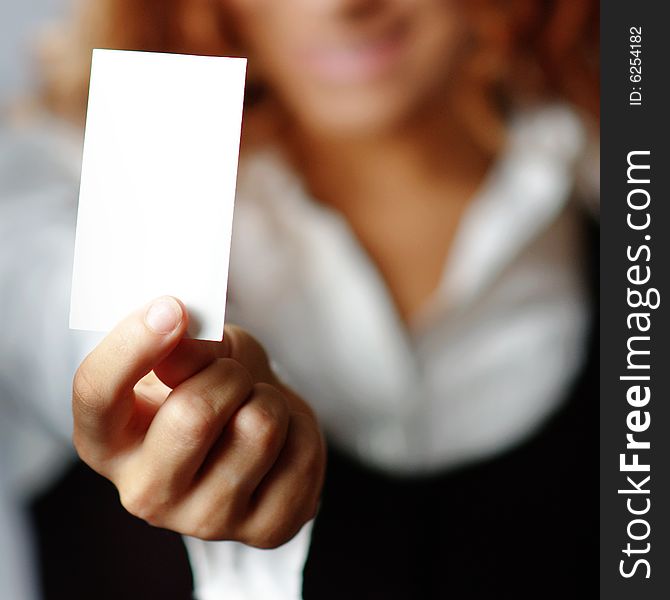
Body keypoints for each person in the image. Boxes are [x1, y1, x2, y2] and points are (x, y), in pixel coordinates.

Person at [2, 0, 599, 598]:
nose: (341, 7)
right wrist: (154, 392)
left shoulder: (616, 175)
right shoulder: (78, 182)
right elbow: (51, 311)